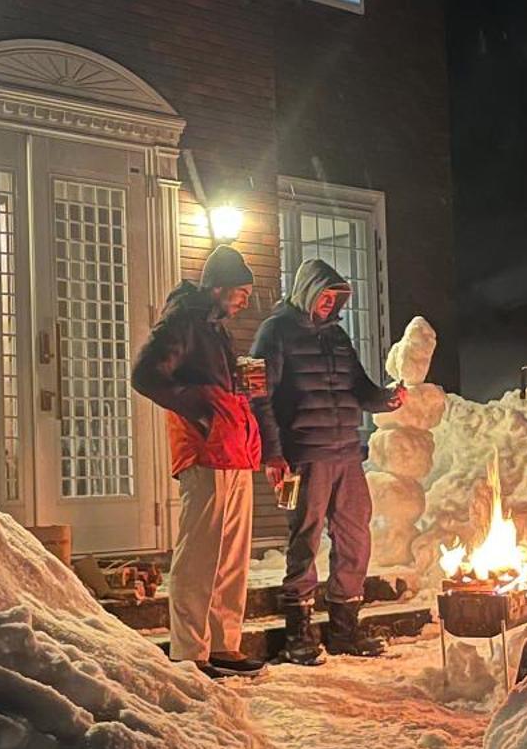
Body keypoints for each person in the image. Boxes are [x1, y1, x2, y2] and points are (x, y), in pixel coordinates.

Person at [252, 257, 406, 664]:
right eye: (324, 296)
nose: (330, 304)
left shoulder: (337, 337)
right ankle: (298, 634)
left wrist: (386, 399)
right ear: (307, 292)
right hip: (305, 455)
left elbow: (358, 387)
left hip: (346, 453)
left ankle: (344, 629)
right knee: (305, 537)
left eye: (336, 298)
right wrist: (273, 452)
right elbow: (260, 396)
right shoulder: (276, 332)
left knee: (355, 536)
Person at [132, 245, 266, 679]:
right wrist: (202, 410)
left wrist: (238, 387)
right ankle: (190, 651)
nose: (245, 301)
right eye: (241, 292)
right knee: (201, 552)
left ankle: (224, 644)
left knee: (230, 554)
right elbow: (146, 374)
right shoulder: (184, 320)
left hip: (232, 448)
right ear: (219, 287)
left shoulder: (214, 328)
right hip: (205, 448)